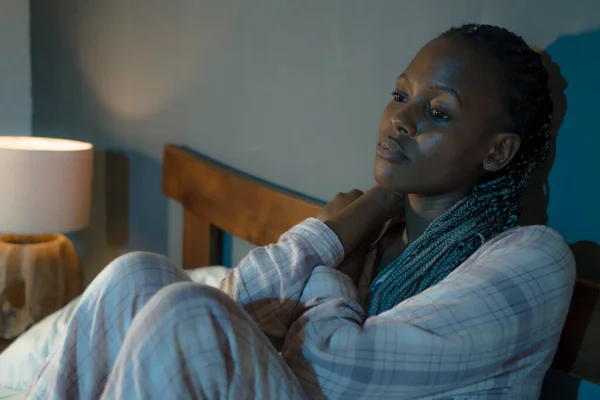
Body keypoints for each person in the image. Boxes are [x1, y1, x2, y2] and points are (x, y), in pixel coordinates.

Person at [26, 24, 574, 399]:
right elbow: (233, 298)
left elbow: (334, 373)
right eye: (400, 94)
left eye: (437, 111)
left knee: (188, 318)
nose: (400, 120)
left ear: (497, 151)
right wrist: (343, 227)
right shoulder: (377, 237)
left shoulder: (532, 260)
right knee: (134, 275)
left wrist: (329, 269)